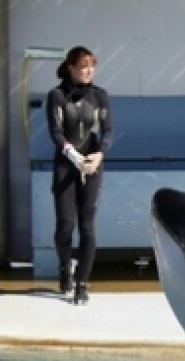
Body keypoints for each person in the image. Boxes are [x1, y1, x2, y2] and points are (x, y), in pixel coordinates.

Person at [46, 46, 113, 305]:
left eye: (91, 66)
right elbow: (56, 131)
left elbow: (108, 131)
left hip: (92, 165)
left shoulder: (100, 96)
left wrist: (99, 155)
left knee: (87, 226)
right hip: (66, 165)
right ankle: (65, 267)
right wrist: (72, 155)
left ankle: (82, 283)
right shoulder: (57, 95)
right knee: (65, 226)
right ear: (71, 68)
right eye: (83, 66)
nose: (88, 71)